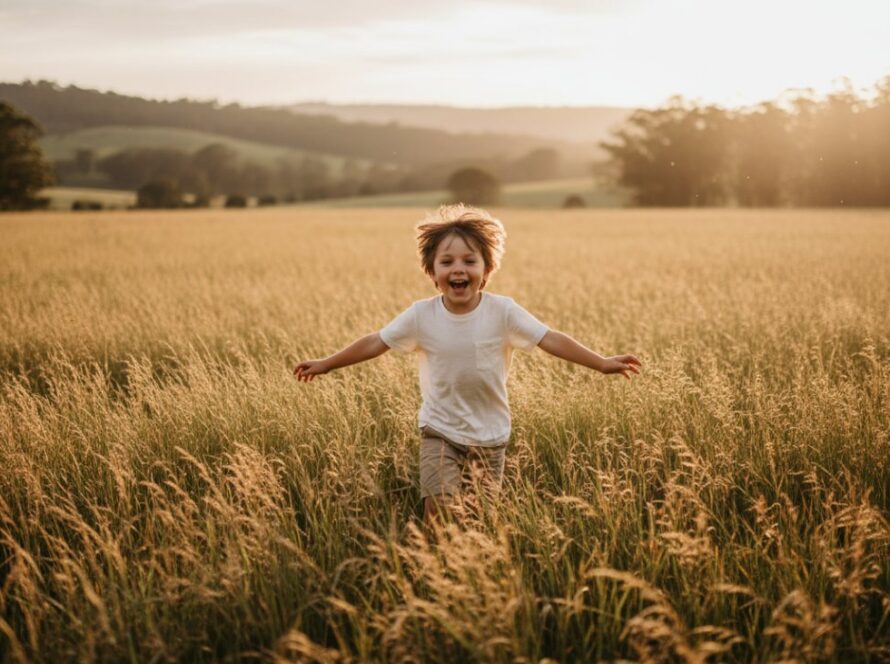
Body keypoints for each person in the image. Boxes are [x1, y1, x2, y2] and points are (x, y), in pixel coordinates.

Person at [294, 204, 641, 526]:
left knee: (479, 521)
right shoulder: (421, 316)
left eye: (469, 261)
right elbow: (376, 341)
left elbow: (550, 338)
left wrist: (601, 363)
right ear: (432, 272)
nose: (458, 269)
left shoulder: (503, 312)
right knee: (438, 512)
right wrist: (327, 364)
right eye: (447, 262)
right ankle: (432, 570)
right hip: (440, 431)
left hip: (490, 438)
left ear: (487, 270)